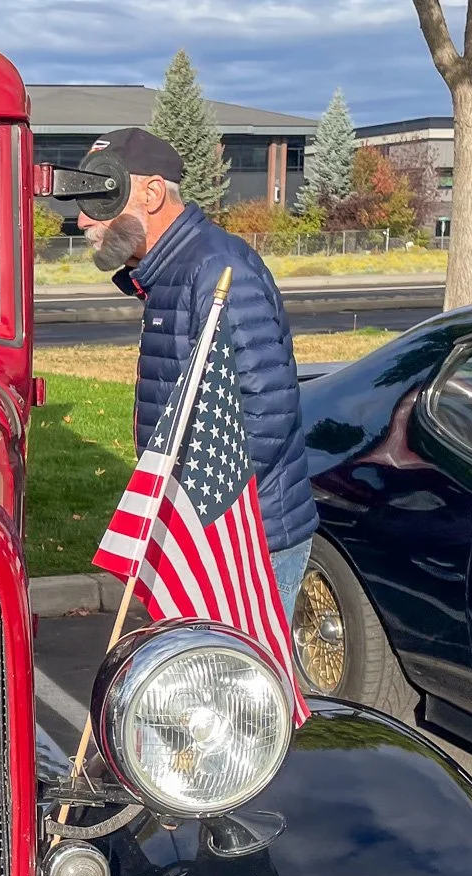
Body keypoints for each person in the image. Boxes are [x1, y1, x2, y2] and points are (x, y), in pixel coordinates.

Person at [75, 127, 317, 626]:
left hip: (243, 545)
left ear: (152, 192)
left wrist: (191, 519)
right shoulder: (168, 272)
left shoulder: (216, 271)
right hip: (199, 533)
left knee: (239, 696)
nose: (82, 221)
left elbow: (265, 417)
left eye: (100, 200)